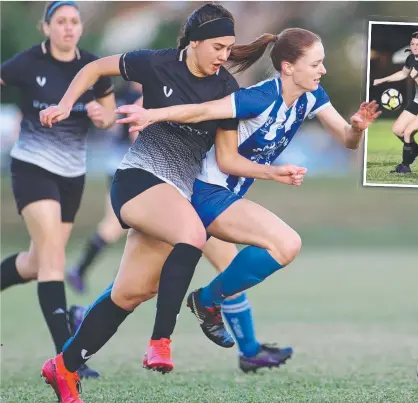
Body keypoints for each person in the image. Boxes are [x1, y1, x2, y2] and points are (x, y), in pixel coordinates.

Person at [38, 4, 305, 402]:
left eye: (228, 48)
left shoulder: (225, 91)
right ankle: (161, 341)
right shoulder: (156, 63)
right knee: (193, 235)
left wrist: (274, 172)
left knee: (128, 295)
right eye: (216, 46)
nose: (223, 56)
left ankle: (64, 367)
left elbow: (229, 159)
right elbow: (93, 69)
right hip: (138, 179)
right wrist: (64, 103)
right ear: (194, 42)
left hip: (175, 195)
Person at [115, 28, 381, 355]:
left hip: (221, 198)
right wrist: (152, 114)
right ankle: (210, 306)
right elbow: (203, 111)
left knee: (137, 290)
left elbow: (347, 140)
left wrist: (356, 128)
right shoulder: (259, 98)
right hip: (202, 191)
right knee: (283, 244)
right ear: (288, 67)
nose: (322, 70)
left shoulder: (312, 96)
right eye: (316, 64)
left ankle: (78, 337)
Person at [0, 1, 116, 379]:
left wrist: (103, 116)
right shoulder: (27, 63)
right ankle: (68, 361)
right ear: (46, 27)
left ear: (80, 28)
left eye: (74, 22)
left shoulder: (94, 67)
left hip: (72, 175)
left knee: (37, 263)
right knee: (53, 260)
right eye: (60, 22)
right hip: (32, 168)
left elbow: (110, 115)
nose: (68, 28)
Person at [65, 81, 142, 294]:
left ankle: (83, 271)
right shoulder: (134, 97)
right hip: (127, 165)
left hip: (118, 164)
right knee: (123, 226)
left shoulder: (127, 95)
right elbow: (134, 134)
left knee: (117, 225)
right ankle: (118, 284)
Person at [372, 31, 418, 173]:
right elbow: (402, 74)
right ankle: (416, 149)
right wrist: (382, 80)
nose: (414, 47)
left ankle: (404, 166)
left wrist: (417, 78)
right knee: (397, 130)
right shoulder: (411, 58)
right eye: (412, 44)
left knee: (408, 132)